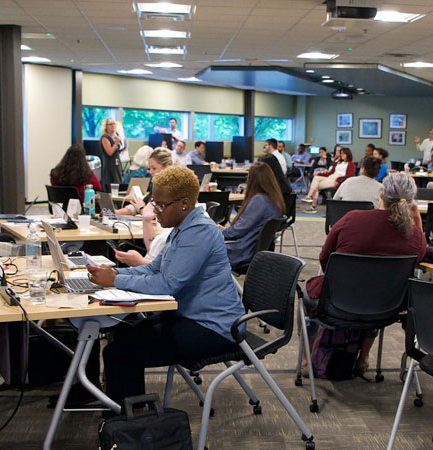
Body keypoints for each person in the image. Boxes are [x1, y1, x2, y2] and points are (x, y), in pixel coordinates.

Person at [86, 166, 244, 411]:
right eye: (153, 203)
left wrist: (115, 281)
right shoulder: (181, 228)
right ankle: (131, 418)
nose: (154, 211)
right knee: (123, 336)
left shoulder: (199, 231)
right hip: (190, 317)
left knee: (120, 353)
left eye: (160, 205)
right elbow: (152, 270)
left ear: (183, 203)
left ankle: (128, 427)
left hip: (215, 327)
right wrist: (115, 274)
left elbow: (168, 284)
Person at [305, 173, 427, 375]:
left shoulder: (353, 218)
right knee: (378, 290)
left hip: (338, 299)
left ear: (381, 194)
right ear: (411, 202)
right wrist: (417, 220)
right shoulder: (413, 234)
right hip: (387, 306)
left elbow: (325, 258)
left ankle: (306, 360)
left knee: (307, 298)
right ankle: (363, 357)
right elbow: (420, 256)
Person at [220, 163, 285, 267]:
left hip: (240, 251)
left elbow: (238, 231)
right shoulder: (274, 200)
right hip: (250, 249)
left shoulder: (259, 201)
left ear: (253, 180)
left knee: (200, 245)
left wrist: (217, 233)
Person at [117, 148, 173, 216]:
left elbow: (159, 216)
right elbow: (142, 203)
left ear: (166, 167)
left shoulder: (171, 188)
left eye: (154, 168)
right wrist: (116, 212)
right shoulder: (156, 185)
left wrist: (141, 209)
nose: (150, 172)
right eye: (150, 168)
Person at [302, 146, 355, 212]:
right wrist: (319, 174)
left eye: (343, 154)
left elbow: (350, 175)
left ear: (347, 154)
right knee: (316, 178)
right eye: (341, 153)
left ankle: (312, 204)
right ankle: (309, 197)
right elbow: (331, 172)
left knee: (316, 186)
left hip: (337, 179)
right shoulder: (338, 162)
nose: (342, 155)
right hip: (331, 177)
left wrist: (338, 179)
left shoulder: (350, 164)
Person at [99, 117, 124, 192]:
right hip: (109, 166)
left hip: (116, 164)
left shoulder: (115, 136)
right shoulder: (105, 137)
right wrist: (116, 142)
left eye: (114, 124)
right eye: (110, 124)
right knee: (111, 186)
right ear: (106, 126)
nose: (113, 125)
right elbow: (109, 152)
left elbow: (116, 150)